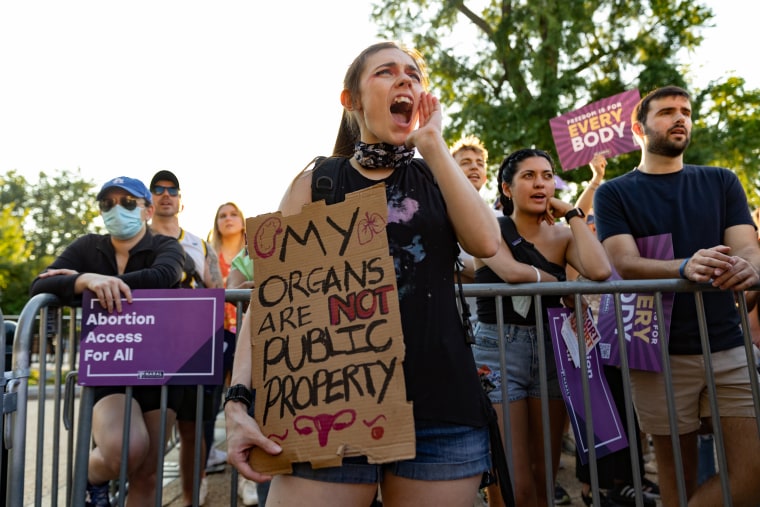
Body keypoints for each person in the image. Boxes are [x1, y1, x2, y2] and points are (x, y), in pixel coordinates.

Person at [225, 41, 501, 507]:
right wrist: (237, 401)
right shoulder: (318, 182)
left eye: (414, 75)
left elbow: (486, 243)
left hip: (440, 413)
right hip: (328, 408)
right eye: (386, 72)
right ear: (350, 100)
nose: (405, 81)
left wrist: (433, 146)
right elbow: (272, 302)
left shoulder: (439, 173)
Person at [593, 85, 760, 506]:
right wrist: (684, 267)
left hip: (730, 345)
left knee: (753, 476)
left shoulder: (721, 180)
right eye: (667, 111)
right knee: (676, 481)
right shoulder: (613, 192)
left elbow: (747, 248)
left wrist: (749, 267)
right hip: (656, 354)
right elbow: (624, 262)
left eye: (685, 110)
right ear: (638, 127)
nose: (680, 117)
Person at [30, 176, 185, 507]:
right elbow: (40, 286)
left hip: (162, 367)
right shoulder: (87, 246)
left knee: (147, 474)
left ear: (147, 210)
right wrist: (87, 278)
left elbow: (164, 276)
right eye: (107, 203)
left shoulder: (164, 245)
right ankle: (90, 475)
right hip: (109, 366)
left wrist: (89, 284)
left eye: (128, 203)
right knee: (124, 449)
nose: (117, 209)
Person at [471, 148, 611, 507]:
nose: (540, 183)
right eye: (528, 176)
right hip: (499, 347)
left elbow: (599, 271)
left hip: (553, 348)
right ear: (506, 188)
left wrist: (575, 215)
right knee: (511, 477)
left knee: (543, 476)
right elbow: (511, 273)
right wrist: (558, 283)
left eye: (547, 176)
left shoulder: (564, 236)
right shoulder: (488, 227)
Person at [149, 170, 224, 507]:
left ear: (181, 200)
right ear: (149, 200)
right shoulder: (137, 240)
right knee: (154, 434)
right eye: (158, 190)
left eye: (172, 190)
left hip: (193, 345)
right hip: (149, 347)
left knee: (193, 431)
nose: (166, 195)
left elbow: (217, 288)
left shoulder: (200, 243)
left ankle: (192, 498)